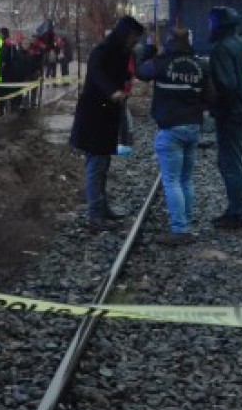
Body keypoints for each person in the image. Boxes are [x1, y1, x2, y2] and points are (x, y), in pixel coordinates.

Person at [136, 27, 212, 245]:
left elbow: (140, 72)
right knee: (186, 179)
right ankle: (185, 222)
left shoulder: (161, 64)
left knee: (171, 180)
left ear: (169, 43)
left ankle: (180, 229)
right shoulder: (201, 65)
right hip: (193, 127)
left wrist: (149, 47)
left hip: (170, 128)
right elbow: (211, 96)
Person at [69, 15, 145, 229]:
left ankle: (102, 208)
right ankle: (95, 214)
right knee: (96, 164)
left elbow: (122, 74)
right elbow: (97, 74)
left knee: (103, 164)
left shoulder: (122, 53)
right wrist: (113, 91)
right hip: (94, 116)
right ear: (124, 34)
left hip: (107, 116)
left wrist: (127, 82)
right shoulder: (102, 51)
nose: (135, 42)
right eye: (133, 38)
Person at [207, 6, 242, 230]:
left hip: (230, 112)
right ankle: (235, 210)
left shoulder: (221, 49)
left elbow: (227, 84)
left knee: (229, 163)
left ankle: (236, 214)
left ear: (218, 26)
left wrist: (213, 102)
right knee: (232, 161)